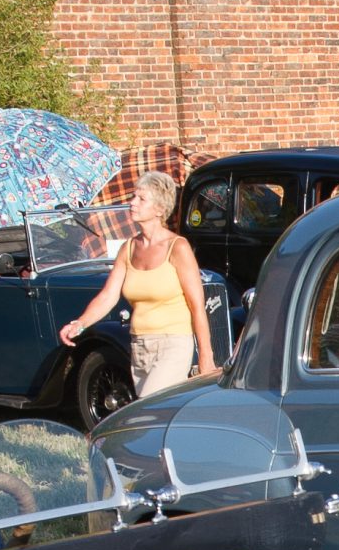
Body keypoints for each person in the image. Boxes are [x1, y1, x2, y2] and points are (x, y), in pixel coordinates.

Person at [58, 170, 219, 397]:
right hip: (139, 346)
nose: (132, 203)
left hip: (173, 344)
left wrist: (206, 356)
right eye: (134, 197)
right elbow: (108, 296)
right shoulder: (129, 248)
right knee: (153, 417)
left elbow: (197, 306)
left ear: (160, 210)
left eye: (141, 199)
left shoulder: (178, 247)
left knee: (149, 407)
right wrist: (79, 324)